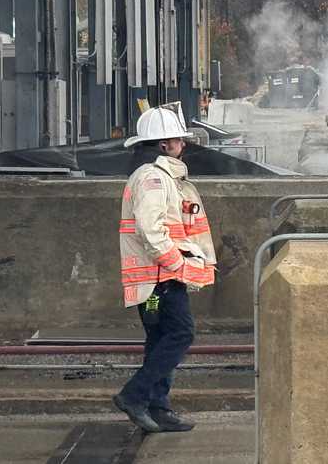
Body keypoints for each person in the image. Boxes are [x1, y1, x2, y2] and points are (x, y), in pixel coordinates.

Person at [113, 105, 217, 433]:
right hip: (162, 279)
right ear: (163, 145)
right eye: (177, 140)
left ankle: (158, 408)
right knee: (181, 334)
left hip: (154, 282)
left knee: (159, 340)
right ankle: (134, 396)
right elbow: (151, 231)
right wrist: (178, 265)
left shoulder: (151, 175)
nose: (182, 145)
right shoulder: (154, 178)